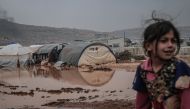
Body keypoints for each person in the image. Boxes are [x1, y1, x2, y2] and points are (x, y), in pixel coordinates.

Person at [132, 19, 190, 109]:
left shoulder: (180, 67)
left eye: (173, 41)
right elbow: (141, 102)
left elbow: (187, 102)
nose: (170, 45)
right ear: (148, 46)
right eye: (164, 40)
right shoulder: (143, 69)